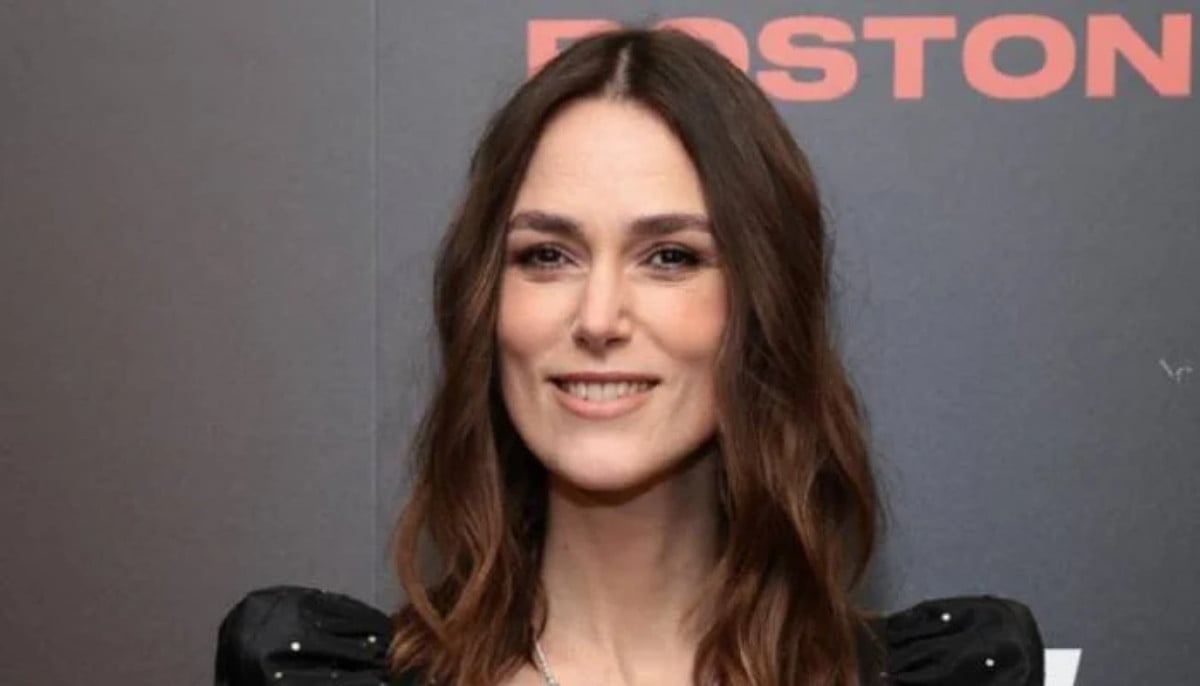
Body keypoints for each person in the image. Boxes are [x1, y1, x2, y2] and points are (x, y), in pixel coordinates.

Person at [215, 27, 1044, 686]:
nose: (598, 317)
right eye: (547, 255)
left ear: (762, 305)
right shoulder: (306, 668)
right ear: (484, 304)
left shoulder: (952, 670)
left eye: (670, 257)